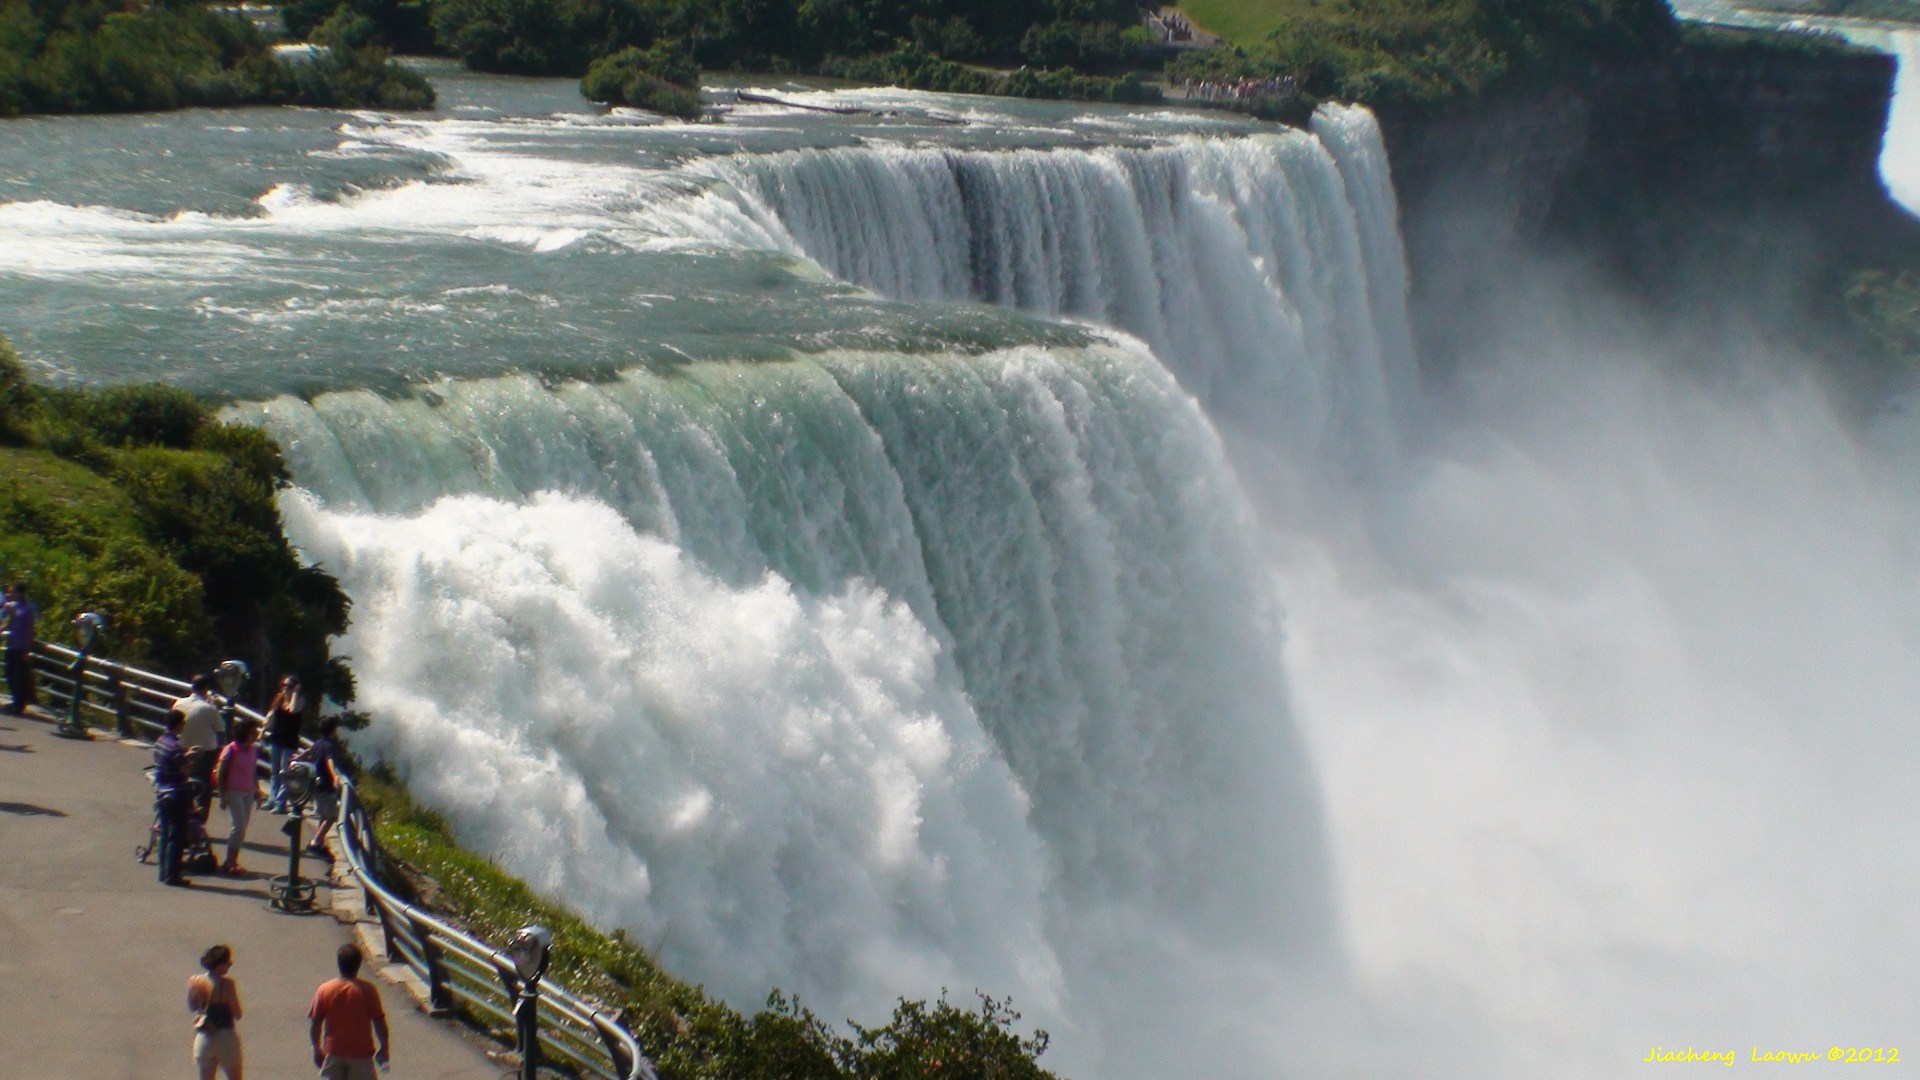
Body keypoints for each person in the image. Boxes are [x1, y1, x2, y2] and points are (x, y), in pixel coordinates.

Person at [309, 943, 390, 1080]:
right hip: (361, 1054)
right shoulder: (368, 990)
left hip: (334, 1052)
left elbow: (316, 1022)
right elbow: (379, 1021)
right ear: (359, 965)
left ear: (339, 963)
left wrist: (316, 1048)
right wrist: (384, 1046)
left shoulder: (325, 990)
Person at [186, 943, 244, 1080]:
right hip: (225, 1037)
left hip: (204, 1037)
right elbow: (237, 1014)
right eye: (227, 963)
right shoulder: (227, 985)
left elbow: (191, 1007)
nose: (229, 966)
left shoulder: (194, 982)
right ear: (220, 964)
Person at [213, 719, 263, 876]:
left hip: (248, 791)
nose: (256, 735)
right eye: (253, 732)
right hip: (233, 790)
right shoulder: (231, 749)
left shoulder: (253, 750)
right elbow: (221, 773)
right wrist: (222, 796)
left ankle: (233, 861)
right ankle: (229, 862)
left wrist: (258, 790)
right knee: (238, 827)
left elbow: (253, 771)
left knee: (242, 828)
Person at [153, 710, 194, 887]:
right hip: (176, 793)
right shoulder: (176, 747)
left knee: (165, 834)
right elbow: (185, 769)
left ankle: (163, 872)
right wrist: (191, 757)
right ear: (179, 724)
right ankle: (173, 874)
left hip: (162, 792)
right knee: (176, 837)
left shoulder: (161, 741)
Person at [262, 675, 307, 813]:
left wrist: (295, 693)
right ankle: (272, 799)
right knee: (274, 772)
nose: (285, 689)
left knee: (285, 773)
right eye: (284, 686)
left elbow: (293, 710)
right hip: (277, 740)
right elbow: (271, 716)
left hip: (289, 743)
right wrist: (263, 730)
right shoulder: (279, 700)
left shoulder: (299, 701)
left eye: (289, 686)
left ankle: (280, 804)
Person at [305, 716, 342, 859]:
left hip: (315, 784)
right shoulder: (329, 745)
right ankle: (315, 842)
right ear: (332, 730)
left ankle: (319, 842)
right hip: (325, 785)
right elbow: (329, 760)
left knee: (323, 815)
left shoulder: (317, 744)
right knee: (332, 816)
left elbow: (310, 756)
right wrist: (335, 777)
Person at [0, 581, 37, 715]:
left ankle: (19, 704)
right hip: (12, 645)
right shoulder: (12, 607)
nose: (11, 594)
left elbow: (29, 629)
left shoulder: (27, 608)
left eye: (13, 591)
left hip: (21, 646)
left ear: (20, 593)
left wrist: (27, 647)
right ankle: (16, 701)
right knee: (9, 673)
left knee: (19, 676)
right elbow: (8, 623)